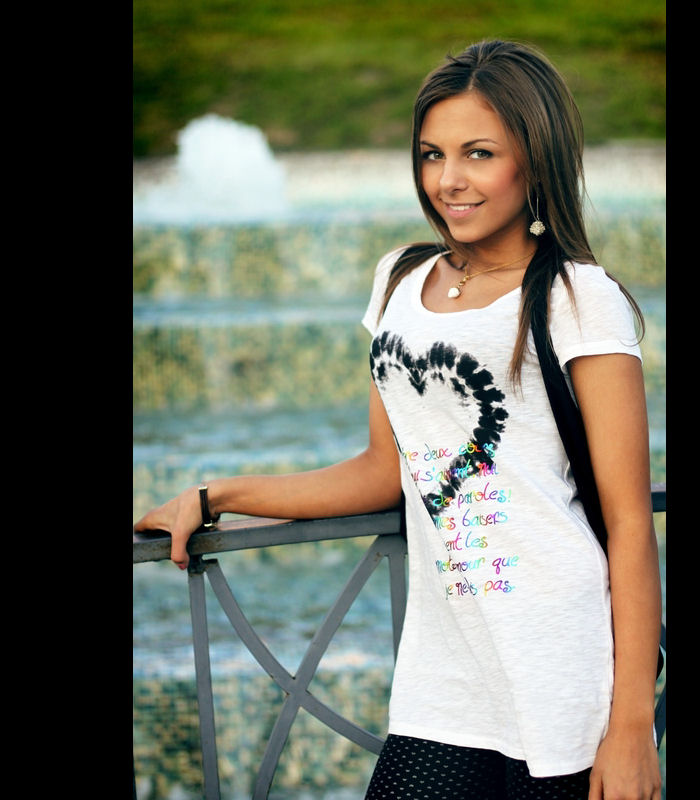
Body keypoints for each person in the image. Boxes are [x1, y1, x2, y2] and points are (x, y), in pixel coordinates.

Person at [135, 39, 663, 800]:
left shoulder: (577, 297)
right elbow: (383, 472)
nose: (449, 180)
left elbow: (629, 524)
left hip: (561, 670)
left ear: (534, 158)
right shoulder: (400, 280)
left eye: (479, 154)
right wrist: (215, 496)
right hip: (443, 680)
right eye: (432, 155)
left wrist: (631, 725)